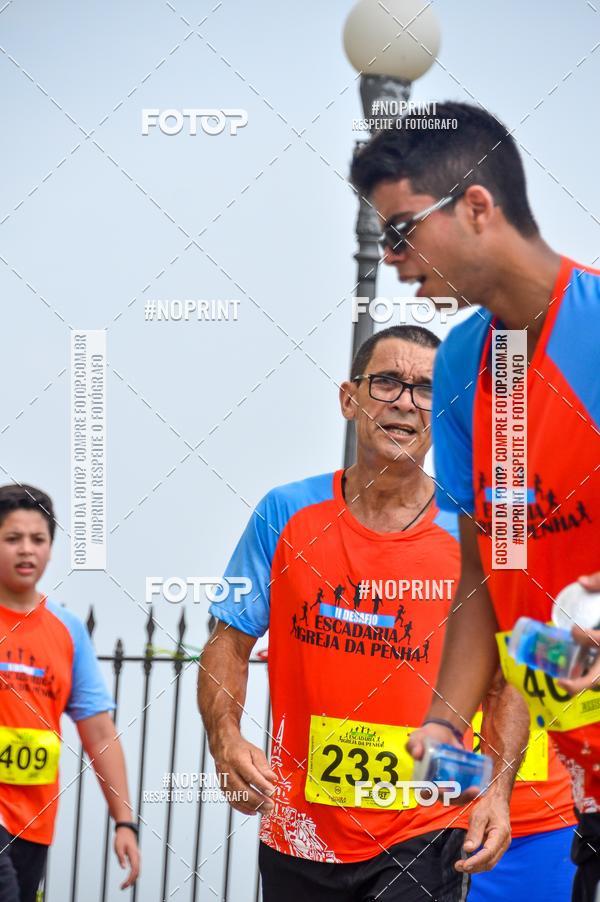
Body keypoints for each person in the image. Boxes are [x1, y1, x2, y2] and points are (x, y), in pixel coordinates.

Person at [199, 325, 569, 901]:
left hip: (428, 825)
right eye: (387, 382)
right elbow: (228, 641)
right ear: (350, 398)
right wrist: (225, 737)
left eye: (425, 389)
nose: (404, 401)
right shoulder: (285, 513)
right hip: (299, 830)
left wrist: (497, 791)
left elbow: (506, 682)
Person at [350, 100, 599, 899]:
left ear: (477, 206)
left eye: (400, 230)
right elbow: (487, 573)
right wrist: (443, 724)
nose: (391, 260)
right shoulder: (465, 365)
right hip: (585, 781)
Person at [0, 484, 140, 900]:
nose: (27, 550)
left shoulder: (67, 631)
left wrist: (125, 822)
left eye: (38, 539)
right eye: (12, 539)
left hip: (33, 821)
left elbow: (98, 732)